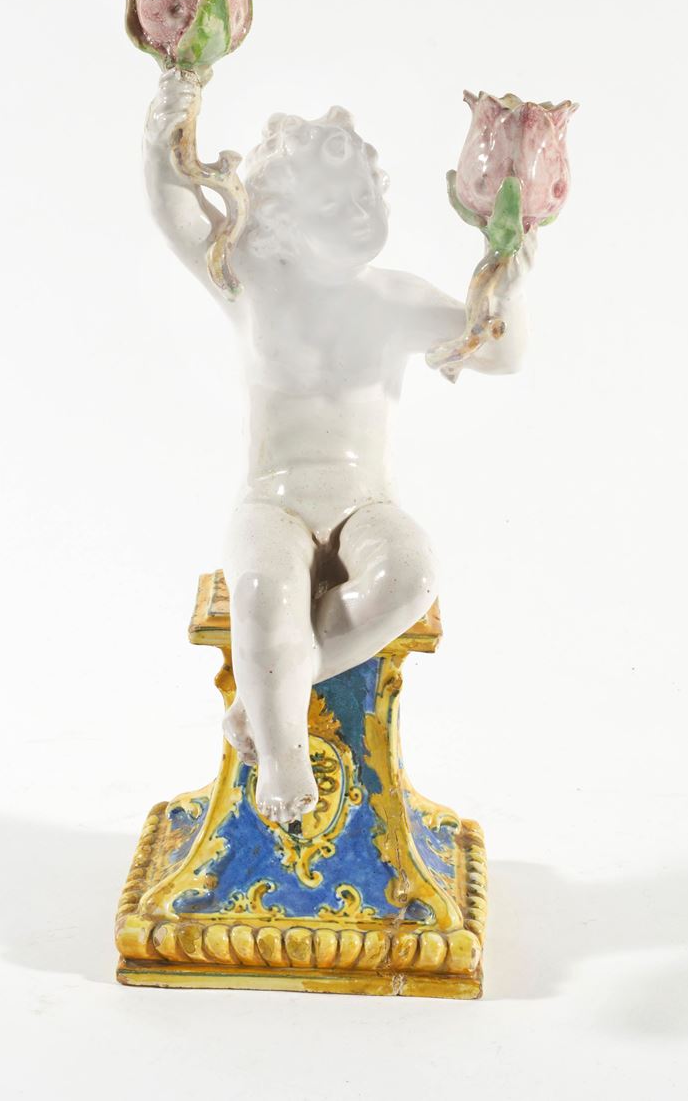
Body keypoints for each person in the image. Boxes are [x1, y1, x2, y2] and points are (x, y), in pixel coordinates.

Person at [143, 69, 534, 825]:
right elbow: (175, 208)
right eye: (331, 205)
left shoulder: (394, 299)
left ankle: (268, 701)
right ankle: (282, 756)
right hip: (274, 500)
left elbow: (499, 352)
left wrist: (510, 270)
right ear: (282, 217)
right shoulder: (253, 282)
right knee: (263, 593)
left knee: (412, 574)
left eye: (366, 197)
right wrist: (172, 107)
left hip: (364, 502)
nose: (358, 215)